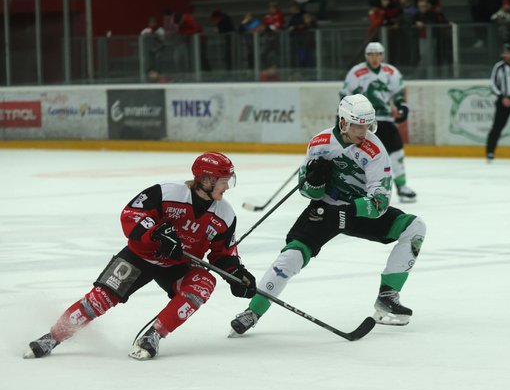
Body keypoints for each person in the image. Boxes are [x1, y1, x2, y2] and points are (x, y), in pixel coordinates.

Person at [24, 152, 257, 360]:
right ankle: (52, 337)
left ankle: (153, 335)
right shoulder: (167, 192)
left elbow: (222, 254)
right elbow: (131, 214)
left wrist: (236, 274)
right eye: (223, 182)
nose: (226, 188)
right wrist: (156, 234)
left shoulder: (225, 214)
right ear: (206, 179)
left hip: (177, 266)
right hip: (139, 257)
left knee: (205, 282)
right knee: (99, 299)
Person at [228, 94, 426, 337]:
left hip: (359, 211)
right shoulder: (320, 142)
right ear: (343, 122)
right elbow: (305, 189)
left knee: (414, 227)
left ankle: (387, 296)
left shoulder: (375, 150)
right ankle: (253, 311)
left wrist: (349, 211)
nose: (363, 132)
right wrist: (315, 182)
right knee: (290, 257)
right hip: (325, 209)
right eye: (358, 126)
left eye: (367, 126)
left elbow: (381, 202)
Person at [340, 42, 417, 203]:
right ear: (366, 56)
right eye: (371, 55)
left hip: (385, 119)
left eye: (378, 54)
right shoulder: (357, 72)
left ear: (382, 55)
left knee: (396, 150)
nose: (375, 58)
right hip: (363, 121)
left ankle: (401, 186)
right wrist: (344, 116)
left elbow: (397, 93)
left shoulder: (391, 72)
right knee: (360, 155)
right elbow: (345, 94)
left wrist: (402, 106)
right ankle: (354, 187)